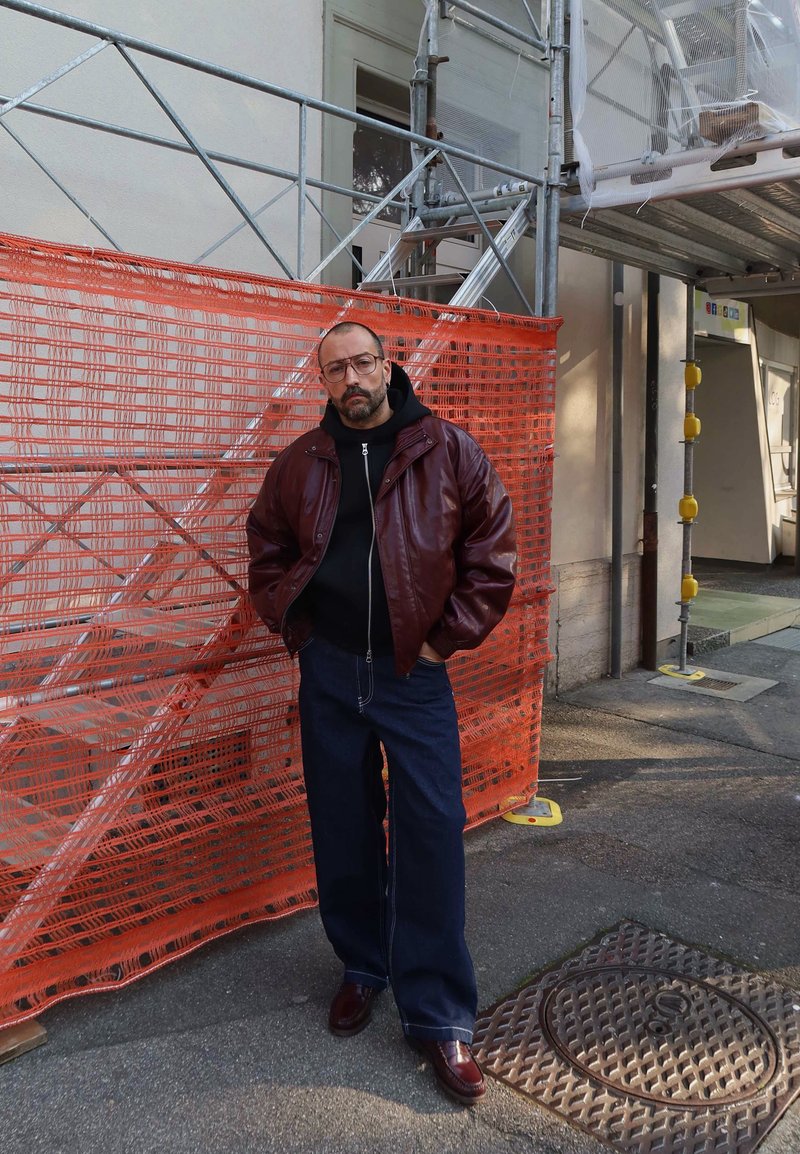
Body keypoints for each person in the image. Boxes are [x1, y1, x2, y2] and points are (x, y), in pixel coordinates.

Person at [246, 321, 516, 1106]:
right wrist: (295, 624)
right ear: (323, 381)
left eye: (363, 362)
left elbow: (494, 553)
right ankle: (363, 965)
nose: (352, 379)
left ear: (387, 365)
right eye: (336, 369)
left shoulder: (447, 450)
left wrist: (441, 642)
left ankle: (438, 1014)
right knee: (343, 825)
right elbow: (265, 544)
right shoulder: (302, 462)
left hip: (412, 675)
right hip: (330, 669)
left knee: (431, 829)